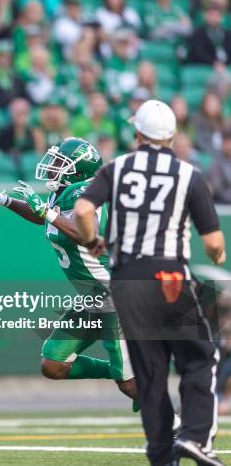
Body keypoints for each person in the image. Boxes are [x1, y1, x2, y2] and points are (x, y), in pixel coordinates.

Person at [74, 99, 226, 466]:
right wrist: (218, 257)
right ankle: (194, 436)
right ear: (172, 136)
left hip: (126, 280)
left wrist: (94, 240)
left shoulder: (117, 168)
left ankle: (161, 455)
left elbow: (82, 210)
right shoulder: (188, 174)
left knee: (151, 371)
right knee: (200, 358)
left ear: (138, 134)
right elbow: (214, 243)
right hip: (169, 276)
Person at [0, 137, 139, 412]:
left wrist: (46, 212)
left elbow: (84, 232)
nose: (53, 166)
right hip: (93, 298)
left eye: (60, 163)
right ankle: (128, 372)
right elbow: (43, 217)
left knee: (130, 386)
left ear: (78, 170)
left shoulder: (86, 192)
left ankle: (176, 423)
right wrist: (5, 200)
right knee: (54, 365)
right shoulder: (65, 192)